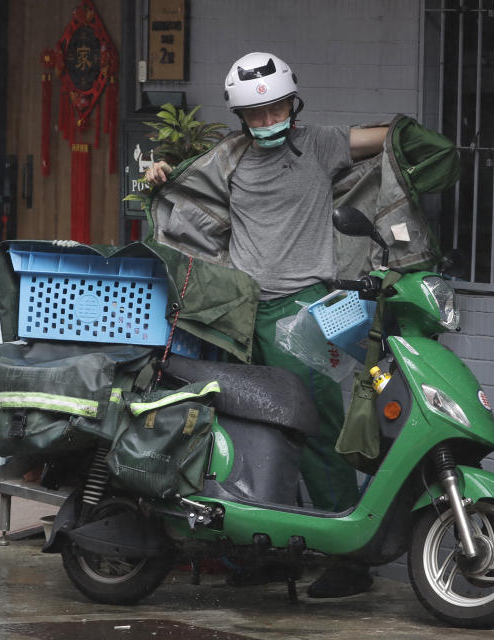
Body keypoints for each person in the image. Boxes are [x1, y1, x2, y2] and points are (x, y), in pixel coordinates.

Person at [145, 52, 387, 598]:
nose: (266, 121)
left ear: (292, 104)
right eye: (254, 115)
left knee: (322, 429)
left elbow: (384, 140)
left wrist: (407, 132)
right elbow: (184, 188)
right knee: (247, 431)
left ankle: (349, 559)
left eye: (275, 108)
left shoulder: (322, 144)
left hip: (305, 312)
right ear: (240, 118)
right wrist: (160, 174)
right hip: (243, 312)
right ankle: (254, 551)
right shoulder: (228, 160)